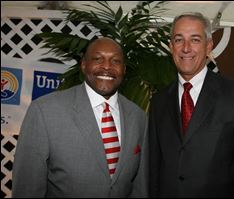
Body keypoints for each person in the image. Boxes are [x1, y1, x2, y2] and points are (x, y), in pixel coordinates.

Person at [149, 12, 234, 198]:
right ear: (171, 47)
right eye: (179, 40)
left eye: (195, 40)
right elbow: (154, 170)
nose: (186, 48)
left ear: (209, 46)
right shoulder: (158, 101)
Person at [12, 37, 148, 198]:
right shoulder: (44, 111)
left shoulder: (138, 116)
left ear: (124, 69)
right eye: (98, 59)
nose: (106, 66)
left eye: (116, 61)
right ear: (84, 65)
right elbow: (27, 188)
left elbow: (140, 186)